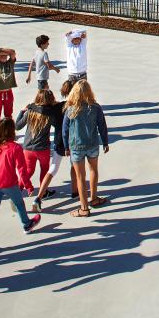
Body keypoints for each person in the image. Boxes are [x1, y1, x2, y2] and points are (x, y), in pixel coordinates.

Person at [0, 118, 41, 255]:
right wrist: (28, 186)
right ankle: (26, 224)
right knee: (19, 203)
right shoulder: (16, 148)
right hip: (9, 183)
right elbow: (21, 169)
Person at [63, 81, 110, 217]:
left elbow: (65, 130)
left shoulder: (70, 109)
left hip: (76, 146)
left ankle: (84, 208)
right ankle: (94, 198)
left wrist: (66, 147)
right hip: (92, 144)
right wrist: (105, 142)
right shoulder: (95, 107)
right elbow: (102, 126)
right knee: (93, 170)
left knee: (80, 177)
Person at [35, 80, 74, 210]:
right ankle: (75, 192)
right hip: (72, 141)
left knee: (53, 169)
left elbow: (43, 107)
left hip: (58, 141)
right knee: (74, 167)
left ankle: (39, 197)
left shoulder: (55, 108)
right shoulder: (75, 106)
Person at [16, 91, 55, 199]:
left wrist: (22, 111)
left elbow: (17, 126)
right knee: (44, 170)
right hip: (43, 148)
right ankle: (43, 192)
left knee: (28, 171)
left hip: (28, 148)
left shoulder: (30, 111)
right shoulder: (50, 114)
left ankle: (18, 190)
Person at [0, 48, 17, 125]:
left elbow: (13, 52)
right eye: (1, 56)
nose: (4, 57)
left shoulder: (10, 63)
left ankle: (9, 132)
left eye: (5, 56)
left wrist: (4, 52)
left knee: (8, 115)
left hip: (8, 92)